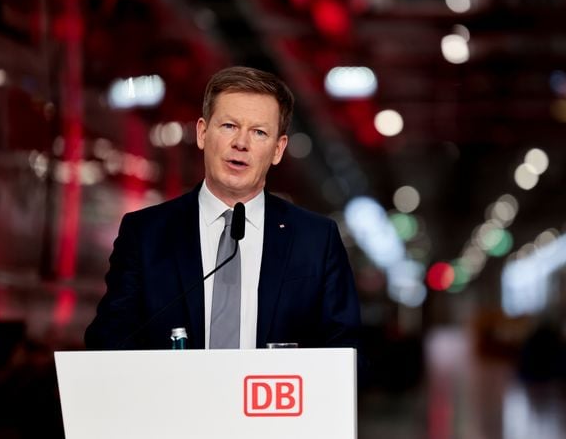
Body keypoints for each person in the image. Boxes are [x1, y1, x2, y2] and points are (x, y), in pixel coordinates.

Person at [85, 66, 362, 355]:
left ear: (278, 150)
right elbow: (107, 343)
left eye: (259, 132)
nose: (241, 143)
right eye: (229, 126)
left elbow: (347, 354)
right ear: (203, 133)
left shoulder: (316, 240)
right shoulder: (145, 234)